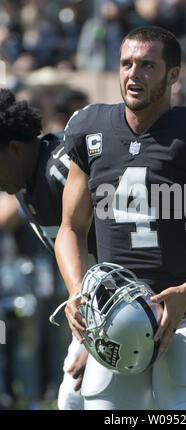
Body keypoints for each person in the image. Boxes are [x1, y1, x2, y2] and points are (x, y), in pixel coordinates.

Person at [55, 25, 186, 410]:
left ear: (173, 75)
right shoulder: (90, 129)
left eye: (147, 65)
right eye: (127, 64)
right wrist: (75, 293)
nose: (134, 74)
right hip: (110, 317)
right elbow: (70, 227)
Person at [0, 88, 97, 409]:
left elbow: (124, 243)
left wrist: (102, 335)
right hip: (96, 309)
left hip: (131, 302)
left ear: (13, 148)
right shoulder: (24, 180)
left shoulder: (62, 169)